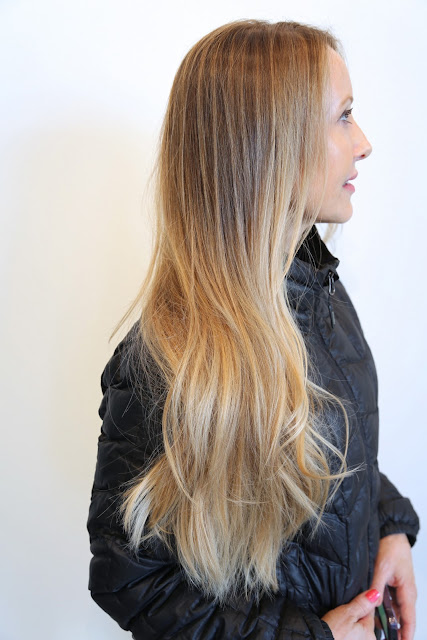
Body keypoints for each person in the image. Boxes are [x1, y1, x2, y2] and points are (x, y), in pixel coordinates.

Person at [87, 19, 419, 640]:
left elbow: (337, 452)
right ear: (269, 145)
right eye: (344, 117)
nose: (364, 143)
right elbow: (131, 581)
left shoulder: (321, 292)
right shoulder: (166, 362)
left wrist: (390, 527)